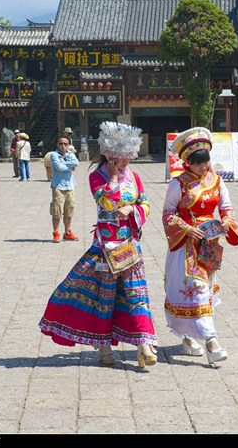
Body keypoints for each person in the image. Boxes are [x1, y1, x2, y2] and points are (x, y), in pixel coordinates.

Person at [39, 122, 157, 368]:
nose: (126, 163)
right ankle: (103, 346)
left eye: (128, 158)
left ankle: (144, 343)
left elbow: (145, 204)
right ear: (109, 155)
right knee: (106, 297)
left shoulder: (135, 178)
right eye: (121, 158)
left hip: (129, 246)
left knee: (137, 295)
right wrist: (113, 178)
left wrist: (132, 209)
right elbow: (105, 202)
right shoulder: (97, 177)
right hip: (105, 248)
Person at [162, 127, 238, 366]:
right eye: (197, 163)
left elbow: (226, 207)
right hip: (185, 246)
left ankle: (188, 337)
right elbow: (168, 214)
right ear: (187, 162)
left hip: (209, 245)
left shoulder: (216, 181)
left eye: (205, 161)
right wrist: (186, 228)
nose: (202, 166)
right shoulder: (178, 184)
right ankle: (211, 342)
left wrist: (226, 222)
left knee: (204, 291)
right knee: (194, 290)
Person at [49, 136, 80, 242]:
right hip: (58, 186)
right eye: (61, 143)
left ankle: (67, 233)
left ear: (68, 145)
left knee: (69, 210)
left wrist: (64, 164)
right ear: (57, 144)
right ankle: (56, 232)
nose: (63, 146)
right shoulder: (54, 155)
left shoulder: (70, 154)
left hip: (70, 185)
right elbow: (59, 167)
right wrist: (69, 166)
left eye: (65, 144)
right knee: (57, 210)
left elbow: (76, 163)